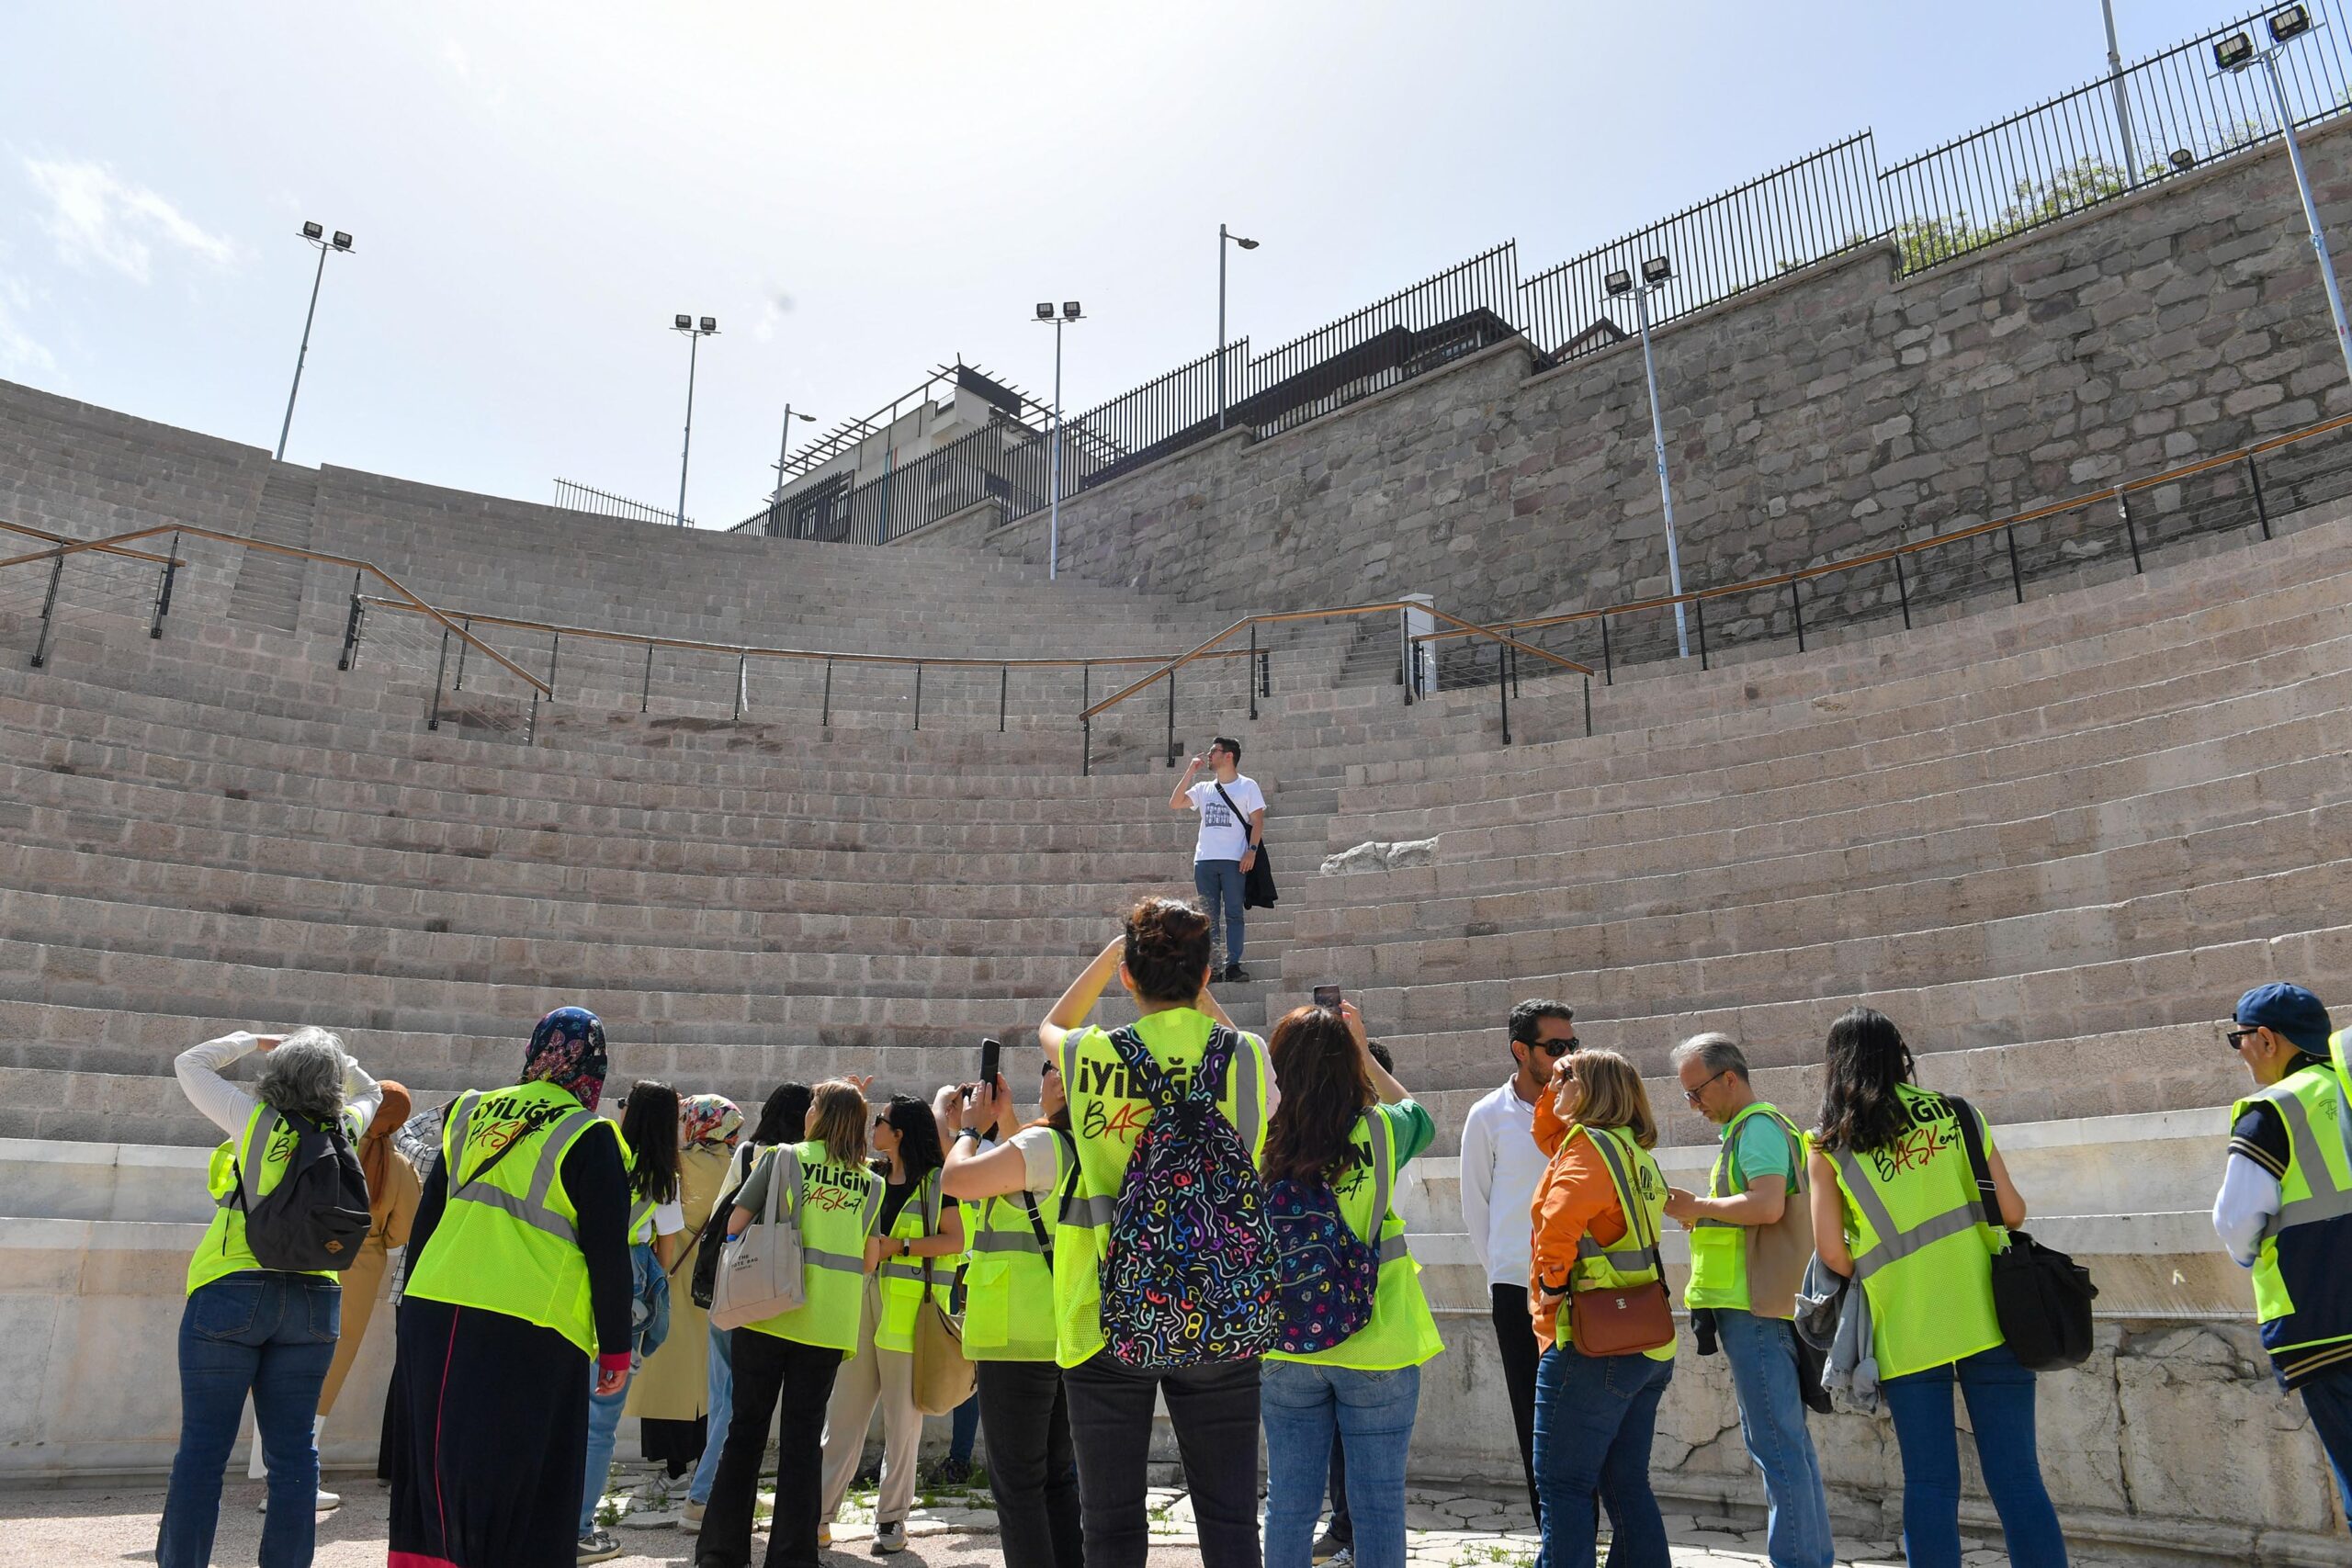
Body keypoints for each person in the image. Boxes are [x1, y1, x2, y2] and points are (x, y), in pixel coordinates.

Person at [1037, 897, 1271, 1568]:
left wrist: (1116, 954)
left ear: (1128, 977)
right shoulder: (1247, 1056)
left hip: (1103, 1307)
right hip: (1222, 1301)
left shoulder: (1090, 1053)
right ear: (1204, 978)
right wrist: (1201, 1000)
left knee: (1108, 1525)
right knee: (1229, 1519)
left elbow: (1050, 1022)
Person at [1805, 1007, 2065, 1568]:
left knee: (1929, 1483)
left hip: (1907, 1328)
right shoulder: (1959, 1114)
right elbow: (2013, 1212)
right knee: (2018, 1479)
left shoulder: (1828, 1145)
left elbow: (1831, 1253)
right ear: (1900, 1054)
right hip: (1994, 1317)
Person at [388, 1006, 635, 1568]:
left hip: (433, 1305)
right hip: (528, 1319)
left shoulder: (470, 1109)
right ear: (593, 1065)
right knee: (524, 1474)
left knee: (431, 1462)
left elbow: (428, 1220)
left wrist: (407, 1308)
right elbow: (608, 1253)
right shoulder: (588, 1133)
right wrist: (616, 1346)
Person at [159, 1027, 381, 1568]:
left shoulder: (254, 1121)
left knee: (203, 1453)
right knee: (294, 1456)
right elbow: (371, 1092)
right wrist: (339, 1061)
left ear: (276, 1077)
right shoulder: (343, 1128)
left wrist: (253, 1039)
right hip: (314, 1297)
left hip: (231, 1287)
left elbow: (189, 1062)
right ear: (329, 1085)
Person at [1259, 1004, 1443, 1568]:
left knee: (1289, 1499)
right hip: (1381, 1338)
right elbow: (1421, 1116)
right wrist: (1363, 1050)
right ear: (1350, 1065)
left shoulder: (1258, 1137)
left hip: (1284, 1339)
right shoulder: (1382, 1130)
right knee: (1378, 1501)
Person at [1661, 1034, 1832, 1568]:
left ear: (1729, 1078)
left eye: (1697, 1091)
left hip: (1754, 1306)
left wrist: (1697, 1203)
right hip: (1758, 1302)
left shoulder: (1756, 1127)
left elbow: (1765, 1205)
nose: (1694, 1105)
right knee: (1789, 1446)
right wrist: (1708, 1212)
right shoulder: (1756, 1127)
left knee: (1777, 1449)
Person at [698, 1080, 884, 1568]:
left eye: (814, 1105)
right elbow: (868, 1259)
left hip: (767, 1312)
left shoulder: (783, 1158)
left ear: (819, 1115)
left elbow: (736, 1224)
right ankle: (793, 1557)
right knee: (803, 1443)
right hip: (827, 1326)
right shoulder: (873, 1182)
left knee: (746, 1432)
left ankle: (721, 1553)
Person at [1527, 1047, 1676, 1568]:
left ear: (1590, 1091)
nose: (1556, 1083)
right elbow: (1546, 1137)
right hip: (1647, 1341)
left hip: (1591, 1344)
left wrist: (1549, 1290)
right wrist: (1551, 1090)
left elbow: (1558, 1224)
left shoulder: (1587, 1148)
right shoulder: (1630, 1149)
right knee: (1626, 1484)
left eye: (1567, 1080)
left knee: (1563, 1485)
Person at [2212, 983, 2352, 1517]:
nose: (2241, 1051)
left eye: (2240, 1039)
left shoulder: (2272, 1110)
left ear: (2266, 1039)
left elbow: (2235, 1220)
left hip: (2326, 1323)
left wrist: (2251, 1255)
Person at [941, 1059, 1085, 1568]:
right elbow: (1030, 1183)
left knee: (1018, 1484)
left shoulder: (1040, 1145)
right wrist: (1005, 1122)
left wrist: (970, 1128)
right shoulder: (1088, 1146)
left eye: (1053, 1067)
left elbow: (956, 1179)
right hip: (1069, 1332)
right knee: (1057, 1476)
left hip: (1017, 1333)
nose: (1046, 1073)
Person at [819, 1093, 966, 1553]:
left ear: (898, 1134)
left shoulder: (939, 1182)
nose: (873, 1128)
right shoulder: (872, 1177)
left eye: (879, 1121)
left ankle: (892, 1521)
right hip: (864, 1310)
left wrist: (896, 1248)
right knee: (842, 1417)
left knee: (903, 1428)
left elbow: (955, 1241)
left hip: (912, 1319)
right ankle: (819, 1516)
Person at [1457, 998, 1576, 1530]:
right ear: (1521, 1051)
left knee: (1586, 1418)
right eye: (1556, 1047)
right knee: (1535, 1418)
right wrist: (1504, 1272)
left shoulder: (1585, 1111)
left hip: (1585, 1282)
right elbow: (1474, 1204)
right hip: (1518, 1289)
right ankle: (1554, 1538)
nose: (1568, 1055)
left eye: (1572, 1045)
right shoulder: (1487, 1116)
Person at [621, 1092, 745, 1532]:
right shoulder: (735, 1166)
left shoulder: (676, 1163)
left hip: (671, 1274)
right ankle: (698, 1466)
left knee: (665, 1372)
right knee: (708, 1380)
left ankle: (669, 1469)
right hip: (716, 1281)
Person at [580, 1080, 689, 1562]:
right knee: (600, 1421)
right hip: (628, 1300)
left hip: (576, 1281)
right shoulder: (662, 1177)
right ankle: (580, 1527)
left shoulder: (599, 1154)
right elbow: (665, 1254)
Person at [312, 1078, 417, 1481]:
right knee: (331, 1367)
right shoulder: (399, 1166)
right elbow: (400, 1232)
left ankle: (261, 1465)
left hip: (306, 1256)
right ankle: (297, 1470)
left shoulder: (326, 1140)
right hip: (359, 1268)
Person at [1169, 736, 1266, 982]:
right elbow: (1175, 802)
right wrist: (1190, 771)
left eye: (1214, 751)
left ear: (1229, 756)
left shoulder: (1247, 786)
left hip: (1234, 859)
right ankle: (1213, 966)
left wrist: (1251, 850)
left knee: (1234, 914)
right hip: (1205, 861)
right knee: (1208, 918)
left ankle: (1233, 964)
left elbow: (1257, 821)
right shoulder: (1204, 789)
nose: (1209, 756)